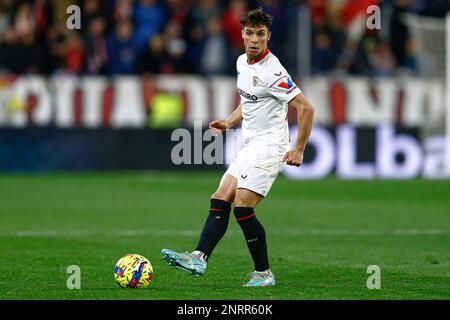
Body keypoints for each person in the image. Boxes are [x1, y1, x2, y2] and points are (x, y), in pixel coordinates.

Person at [161, 8, 315, 287]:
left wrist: (299, 148)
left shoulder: (273, 71)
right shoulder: (242, 62)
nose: (254, 40)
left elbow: (306, 108)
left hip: (270, 145)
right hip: (249, 143)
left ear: (268, 36)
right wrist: (229, 122)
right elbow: (249, 101)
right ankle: (198, 257)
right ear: (242, 34)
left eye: (260, 34)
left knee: (242, 205)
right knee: (221, 196)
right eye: (249, 33)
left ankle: (264, 273)